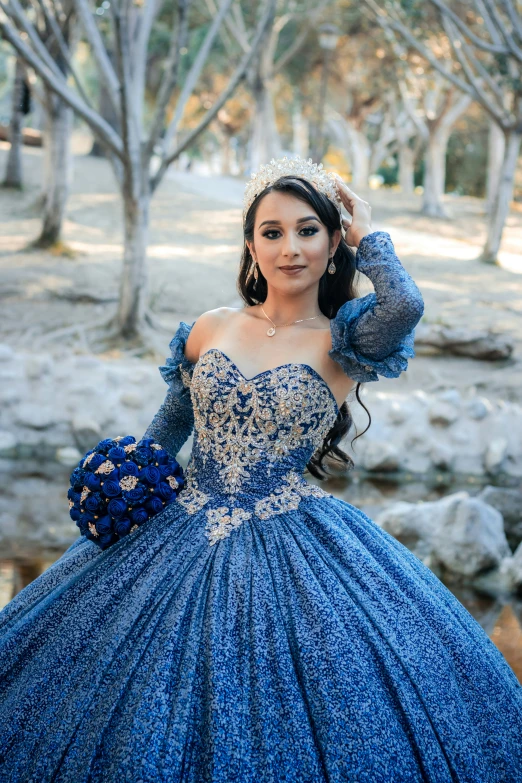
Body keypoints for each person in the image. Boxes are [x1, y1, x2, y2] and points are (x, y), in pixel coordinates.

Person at [0, 156, 521, 782]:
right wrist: (119, 488)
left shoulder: (346, 339)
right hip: (180, 526)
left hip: (290, 537)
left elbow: (405, 303)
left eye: (308, 230)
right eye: (271, 232)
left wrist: (371, 236)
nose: (290, 248)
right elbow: (165, 437)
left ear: (333, 244)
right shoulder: (208, 328)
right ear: (251, 243)